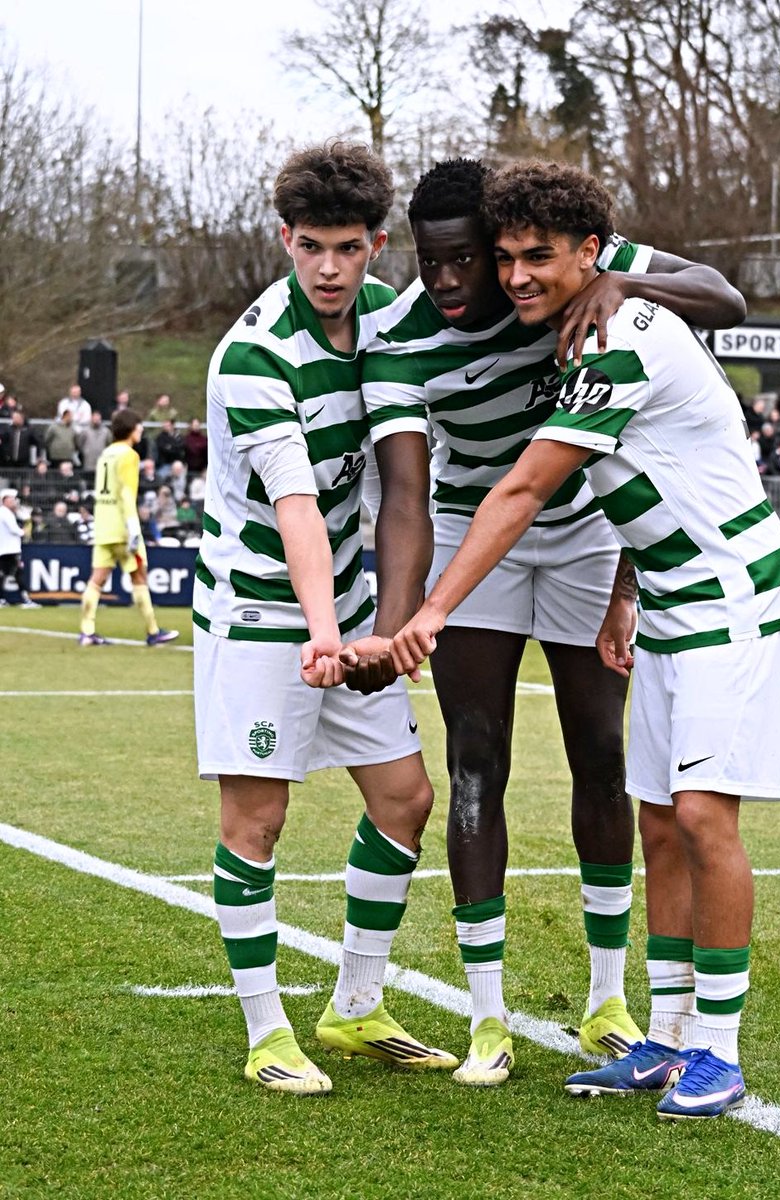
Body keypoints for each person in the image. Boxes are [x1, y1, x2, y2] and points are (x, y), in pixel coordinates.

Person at [386, 160, 780, 1119]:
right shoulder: (583, 326)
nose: (519, 275)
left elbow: (526, 490)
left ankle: (721, 1054)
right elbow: (648, 476)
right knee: (657, 819)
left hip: (734, 600)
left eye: (541, 257)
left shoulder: (621, 334)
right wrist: (627, 589)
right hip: (670, 597)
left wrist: (430, 612)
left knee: (703, 819)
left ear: (593, 255)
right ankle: (663, 1040)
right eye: (508, 259)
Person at [193, 140, 457, 1097]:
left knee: (404, 798)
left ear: (378, 245)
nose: (331, 269)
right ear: (285, 241)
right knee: (257, 819)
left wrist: (378, 627)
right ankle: (267, 1033)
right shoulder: (256, 355)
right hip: (262, 607)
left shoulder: (388, 318)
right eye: (312, 247)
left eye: (349, 248)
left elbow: (398, 481)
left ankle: (354, 1007)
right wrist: (322, 634)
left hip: (345, 606)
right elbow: (297, 507)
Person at [77, 408, 179, 647]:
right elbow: (126, 493)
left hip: (103, 525)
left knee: (96, 579)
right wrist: (133, 528)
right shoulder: (129, 455)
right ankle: (153, 631)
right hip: (123, 527)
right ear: (131, 429)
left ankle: (87, 631)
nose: (141, 429)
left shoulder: (106, 454)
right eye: (139, 426)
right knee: (139, 576)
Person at [0, 489, 39, 607]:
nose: (14, 502)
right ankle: (26, 600)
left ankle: (2, 599)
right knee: (17, 575)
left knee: (4, 576)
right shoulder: (5, 513)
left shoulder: (7, 512)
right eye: (11, 499)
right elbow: (16, 531)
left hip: (7, 550)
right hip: (9, 551)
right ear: (4, 501)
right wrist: (26, 527)